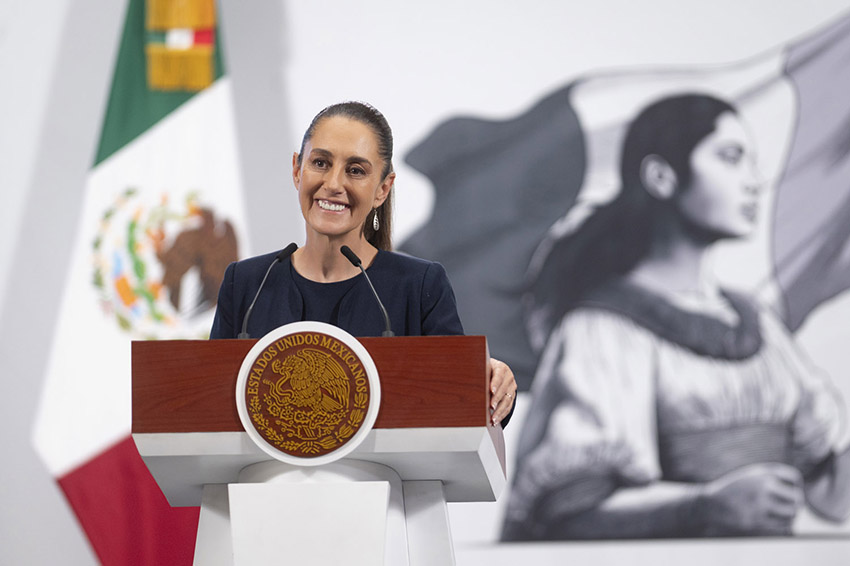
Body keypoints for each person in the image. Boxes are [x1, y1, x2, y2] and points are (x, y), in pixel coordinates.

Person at [501, 94, 850, 539]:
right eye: (731, 158)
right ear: (661, 177)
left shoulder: (756, 323)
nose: (754, 182)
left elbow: (831, 496)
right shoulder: (602, 330)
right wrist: (705, 507)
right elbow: (567, 509)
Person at [210, 101, 516, 426]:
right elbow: (207, 399)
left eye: (356, 170)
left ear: (383, 189)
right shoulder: (245, 283)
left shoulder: (419, 285)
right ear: (297, 169)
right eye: (320, 163)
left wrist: (496, 383)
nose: (333, 183)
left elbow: (462, 398)